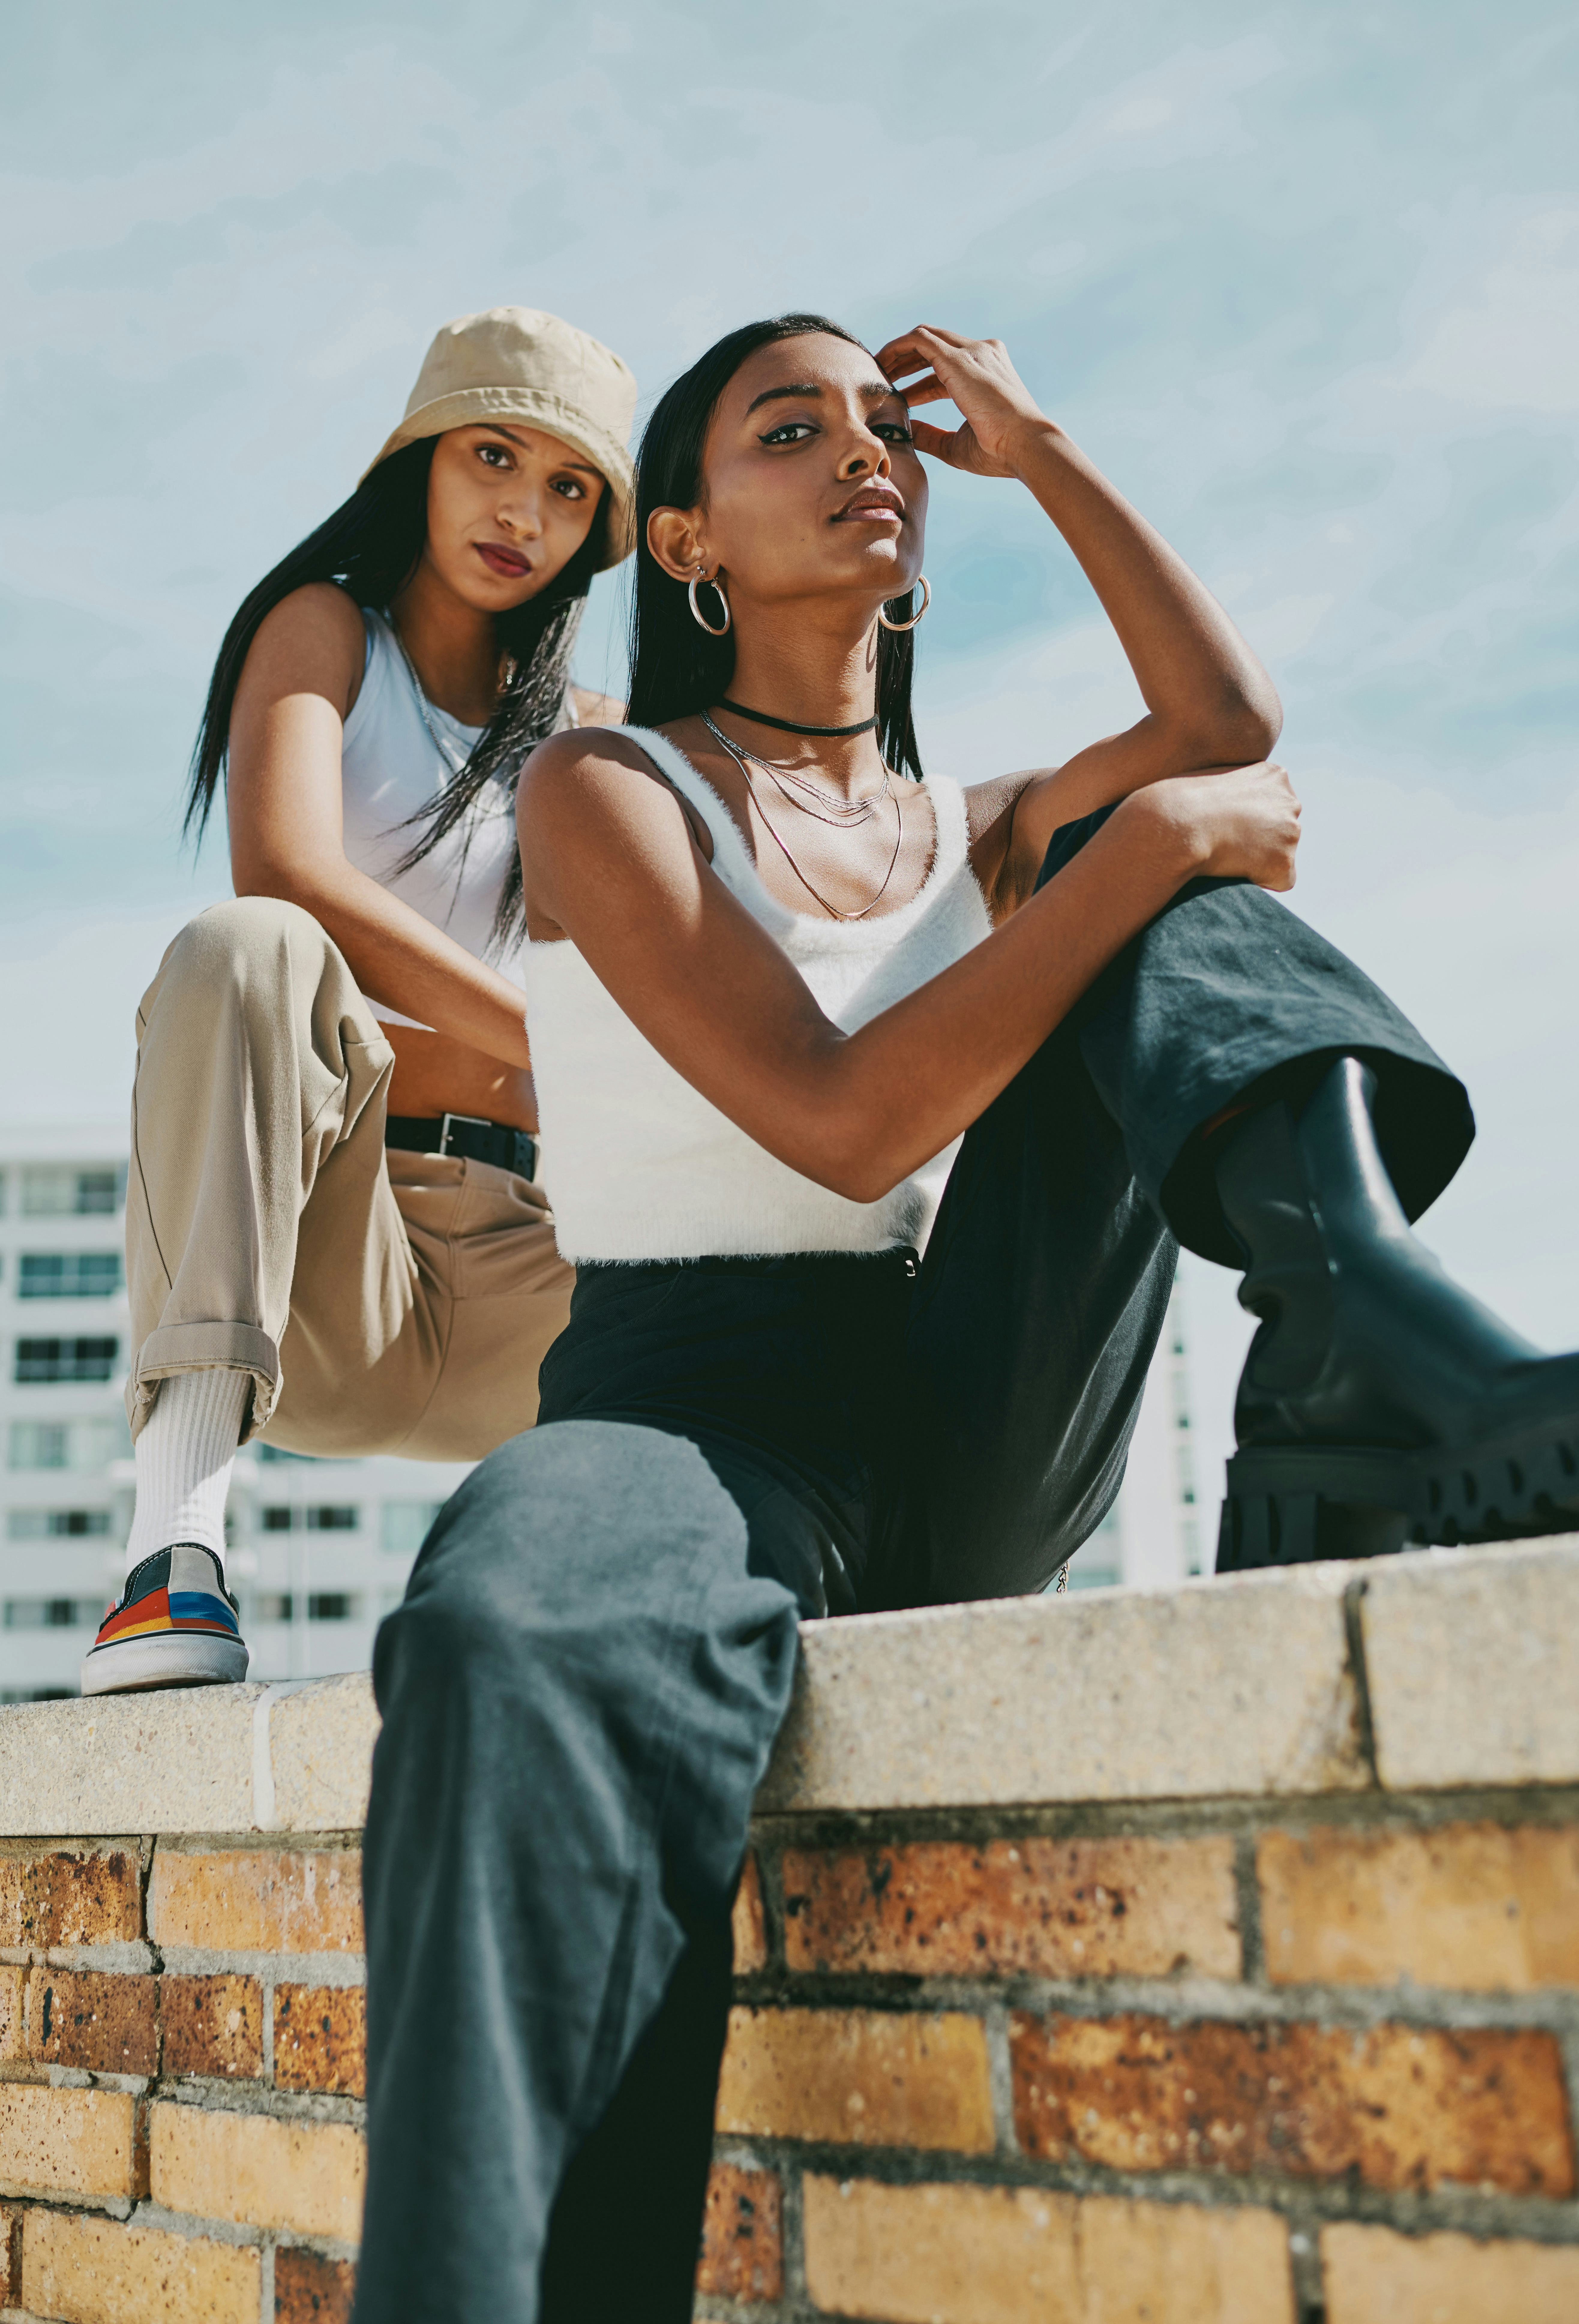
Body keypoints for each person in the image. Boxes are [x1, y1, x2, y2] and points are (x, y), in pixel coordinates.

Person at [353, 315, 1579, 2322]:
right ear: (686, 543)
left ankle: (1373, 1320)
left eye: (885, 428)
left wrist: (1046, 449)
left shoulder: (982, 827)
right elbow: (841, 1122)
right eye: (791, 429)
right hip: (691, 1416)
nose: (867, 452)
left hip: (981, 1388)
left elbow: (1221, 721)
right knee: (505, 1627)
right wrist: (1148, 846)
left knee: (1155, 872)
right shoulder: (607, 787)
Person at [81, 307, 637, 1697]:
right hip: (327, 1275)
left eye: (570, 488)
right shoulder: (326, 627)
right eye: (492, 456)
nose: (523, 512)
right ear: (420, 461)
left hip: (537, 1284)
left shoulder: (589, 735)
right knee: (248, 947)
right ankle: (172, 1549)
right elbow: (288, 872)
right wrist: (540, 1042)